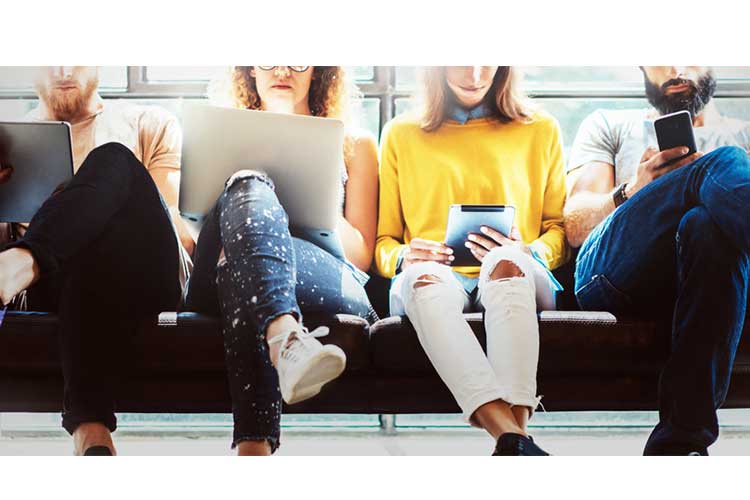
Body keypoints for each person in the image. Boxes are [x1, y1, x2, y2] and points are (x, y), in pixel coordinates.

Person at [184, 66, 379, 456]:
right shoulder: (220, 135)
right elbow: (191, 238)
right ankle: (286, 338)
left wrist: (311, 186)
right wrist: (255, 202)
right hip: (223, 261)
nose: (283, 70)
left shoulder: (354, 144)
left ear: (320, 70)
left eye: (298, 60)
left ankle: (253, 450)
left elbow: (361, 253)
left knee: (238, 270)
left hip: (326, 274)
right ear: (249, 68)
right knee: (248, 182)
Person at [0, 66, 193, 455]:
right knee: (81, 251)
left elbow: (179, 235)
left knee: (114, 159)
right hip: (48, 286)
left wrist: (97, 197)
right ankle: (91, 432)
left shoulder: (149, 123)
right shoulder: (9, 138)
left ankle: (19, 264)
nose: (64, 70)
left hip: (141, 274)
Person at [375, 66, 568, 456]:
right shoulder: (401, 133)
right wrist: (403, 256)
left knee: (504, 260)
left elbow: (559, 231)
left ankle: (513, 435)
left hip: (515, 269)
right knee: (423, 277)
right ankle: (513, 439)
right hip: (437, 274)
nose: (476, 73)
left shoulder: (541, 129)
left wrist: (529, 249)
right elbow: (384, 243)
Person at [564, 66, 750, 455]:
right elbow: (576, 227)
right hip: (612, 274)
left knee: (704, 224)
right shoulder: (609, 125)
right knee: (722, 163)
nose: (677, 67)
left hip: (707, 279)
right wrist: (633, 188)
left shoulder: (745, 134)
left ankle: (679, 446)